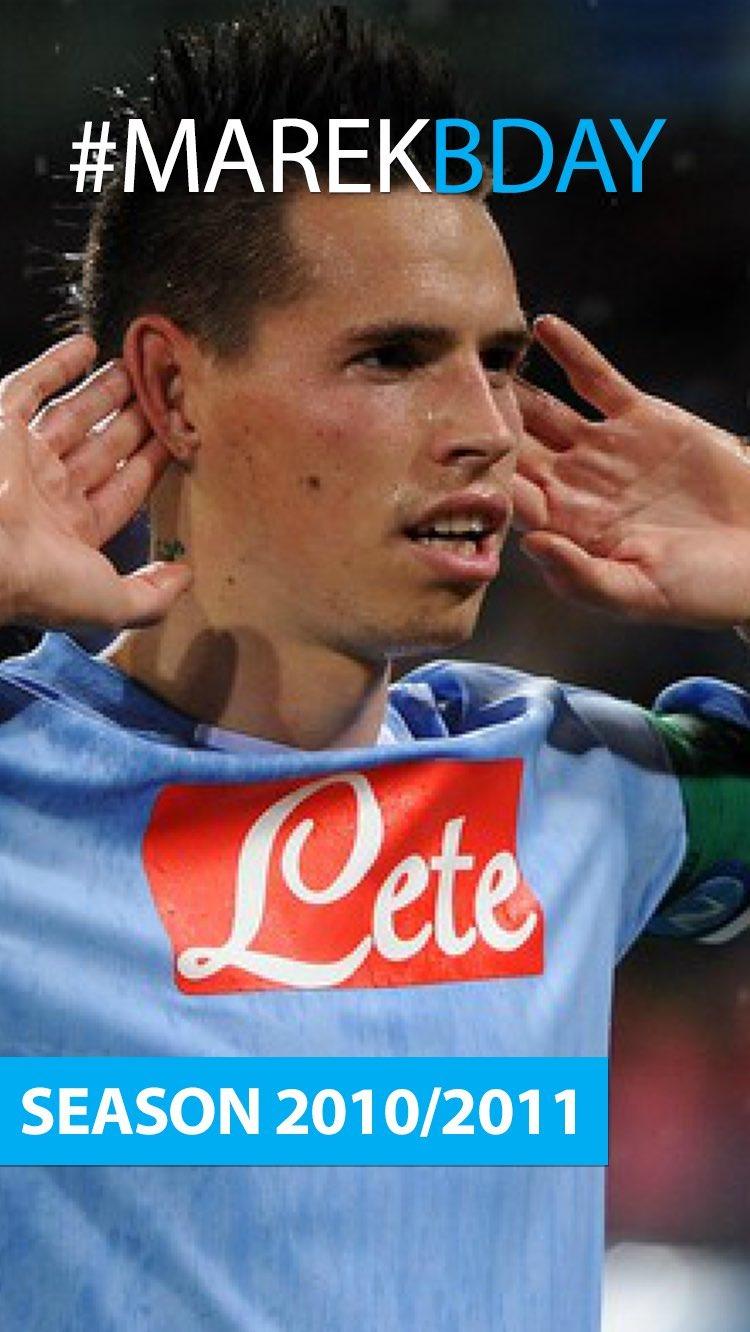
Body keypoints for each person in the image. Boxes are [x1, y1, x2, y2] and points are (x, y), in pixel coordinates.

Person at [1, 8, 749, 1330]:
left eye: (499, 361)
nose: (485, 430)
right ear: (173, 390)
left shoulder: (579, 786)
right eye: (394, 357)